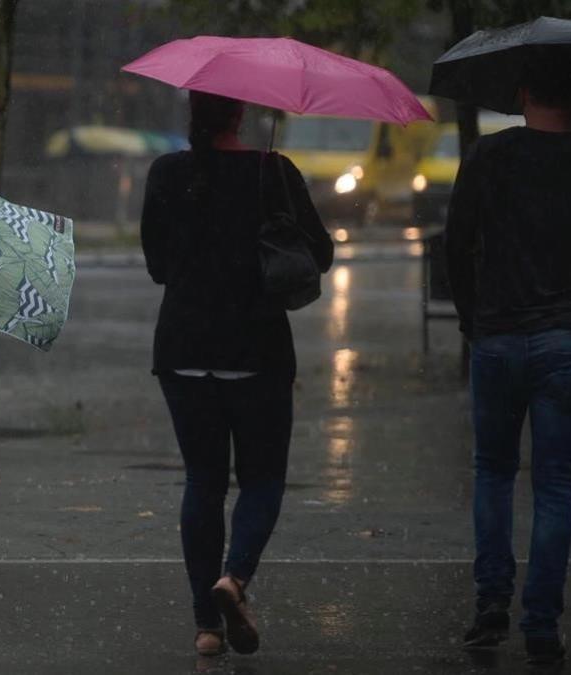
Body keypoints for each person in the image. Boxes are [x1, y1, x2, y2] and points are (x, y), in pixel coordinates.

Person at [140, 91, 333, 657]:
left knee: (203, 479)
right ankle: (236, 578)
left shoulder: (168, 172)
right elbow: (318, 254)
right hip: (257, 350)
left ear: (193, 113)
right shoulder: (273, 171)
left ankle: (207, 626)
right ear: (241, 115)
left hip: (183, 347)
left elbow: (157, 265)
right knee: (263, 478)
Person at [446, 47, 571, 667]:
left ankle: (490, 604)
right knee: (555, 486)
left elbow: (457, 243)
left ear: (523, 94)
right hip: (565, 343)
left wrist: (473, 321)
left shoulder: (489, 156)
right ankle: (543, 624)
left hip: (496, 338)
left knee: (494, 473)